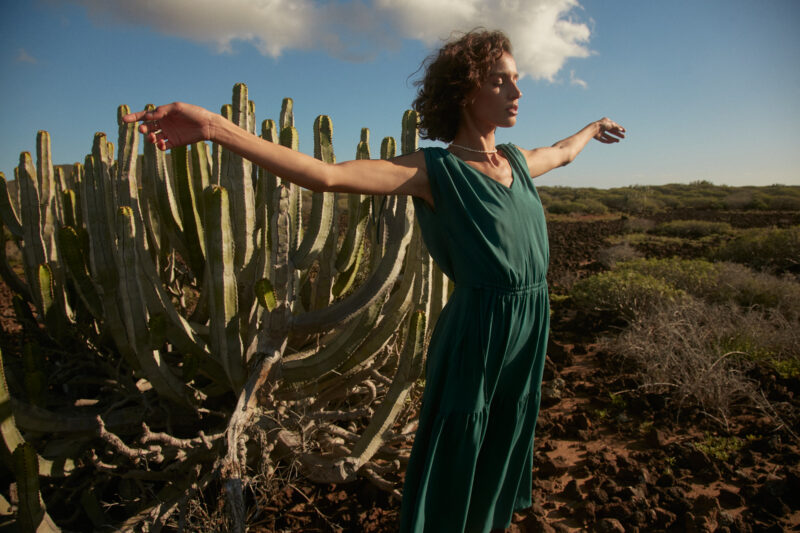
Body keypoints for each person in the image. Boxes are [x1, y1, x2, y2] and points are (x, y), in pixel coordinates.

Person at [124, 29, 624, 533]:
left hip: (530, 322)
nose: (517, 92)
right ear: (468, 90)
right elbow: (327, 176)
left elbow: (561, 152)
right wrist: (213, 126)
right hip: (480, 330)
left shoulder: (516, 161)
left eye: (516, 80)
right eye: (501, 82)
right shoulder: (435, 170)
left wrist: (592, 127)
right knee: (460, 443)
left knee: (505, 430)